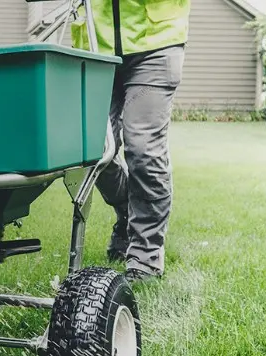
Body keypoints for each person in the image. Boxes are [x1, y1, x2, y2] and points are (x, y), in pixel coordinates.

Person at [71, 0, 190, 282]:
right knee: (92, 150)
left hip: (155, 40)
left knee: (144, 149)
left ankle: (145, 257)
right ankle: (127, 213)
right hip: (94, 43)